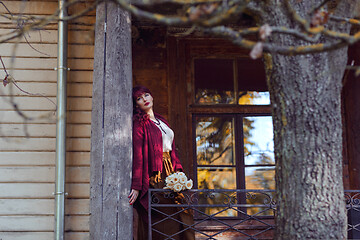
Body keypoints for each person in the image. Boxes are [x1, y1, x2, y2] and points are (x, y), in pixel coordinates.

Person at [128, 86, 194, 240]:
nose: (144, 99)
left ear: (152, 97)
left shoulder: (162, 120)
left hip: (170, 171)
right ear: (136, 104)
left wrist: (179, 172)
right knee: (164, 217)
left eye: (146, 95)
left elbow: (173, 151)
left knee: (182, 212)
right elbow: (138, 154)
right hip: (156, 175)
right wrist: (137, 186)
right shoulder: (139, 123)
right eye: (139, 98)